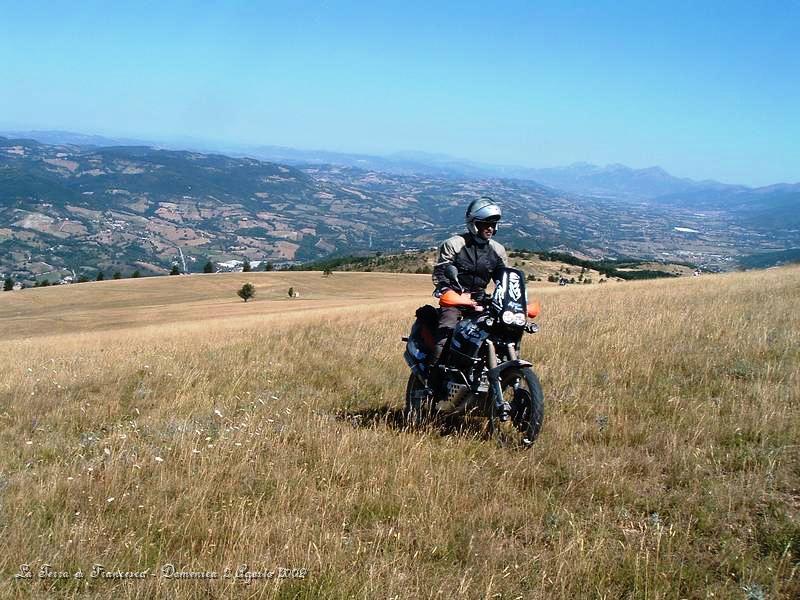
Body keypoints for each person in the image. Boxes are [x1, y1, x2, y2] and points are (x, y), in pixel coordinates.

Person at [428, 197, 509, 369]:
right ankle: (432, 378)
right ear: (473, 224)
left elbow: (504, 278)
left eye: (493, 224)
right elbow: (442, 272)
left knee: (503, 331)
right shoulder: (455, 244)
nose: (490, 228)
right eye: (485, 224)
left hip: (481, 301)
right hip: (456, 299)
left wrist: (511, 296)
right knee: (447, 330)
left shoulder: (497, 250)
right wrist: (448, 290)